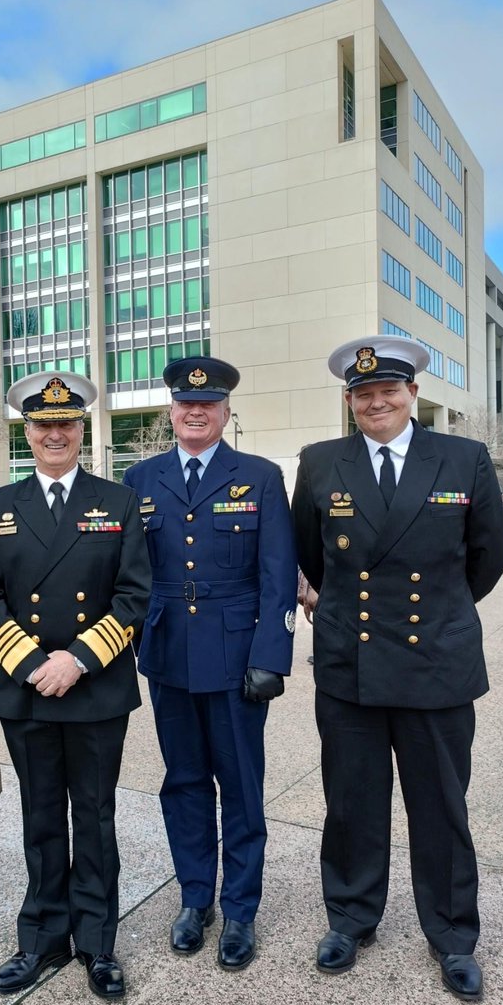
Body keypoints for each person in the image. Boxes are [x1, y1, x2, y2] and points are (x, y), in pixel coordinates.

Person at [291, 336, 503, 1001]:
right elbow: (313, 553)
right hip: (350, 660)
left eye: (388, 390)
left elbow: (489, 556)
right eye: (362, 394)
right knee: (351, 802)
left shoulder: (463, 458)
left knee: (441, 807)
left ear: (413, 394)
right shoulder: (322, 461)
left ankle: (452, 936)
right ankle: (352, 918)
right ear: (350, 401)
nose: (375, 402)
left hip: (435, 664)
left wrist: (441, 613)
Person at [0, 372, 151, 1000]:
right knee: (41, 814)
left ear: (81, 430)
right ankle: (42, 938)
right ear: (28, 430)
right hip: (26, 689)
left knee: (95, 816)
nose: (55, 434)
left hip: (95, 686)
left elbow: (134, 595)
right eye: (44, 424)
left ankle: (97, 944)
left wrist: (76, 658)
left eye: (66, 424)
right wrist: (29, 663)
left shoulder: (118, 502)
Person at [122, 357, 296, 971]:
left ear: (225, 412)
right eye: (185, 404)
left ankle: (241, 909)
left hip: (237, 655)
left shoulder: (259, 476)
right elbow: (126, 575)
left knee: (242, 788)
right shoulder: (140, 478)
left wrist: (272, 655)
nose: (196, 412)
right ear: (171, 411)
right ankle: (196, 897)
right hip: (168, 652)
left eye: (209, 405)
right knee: (184, 781)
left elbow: (278, 574)